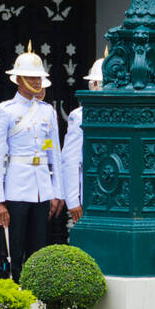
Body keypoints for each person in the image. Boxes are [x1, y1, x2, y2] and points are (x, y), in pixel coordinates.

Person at [0, 51, 64, 281]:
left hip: (41, 188)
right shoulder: (5, 110)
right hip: (16, 186)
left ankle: (34, 293)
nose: (37, 81)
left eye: (39, 77)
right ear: (18, 79)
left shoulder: (47, 111)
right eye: (31, 77)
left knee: (38, 248)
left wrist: (56, 192)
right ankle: (10, 291)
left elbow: (54, 154)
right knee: (13, 247)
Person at [62, 55, 103, 229]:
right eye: (100, 84)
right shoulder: (79, 116)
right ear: (92, 85)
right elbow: (70, 160)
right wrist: (73, 200)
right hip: (90, 189)